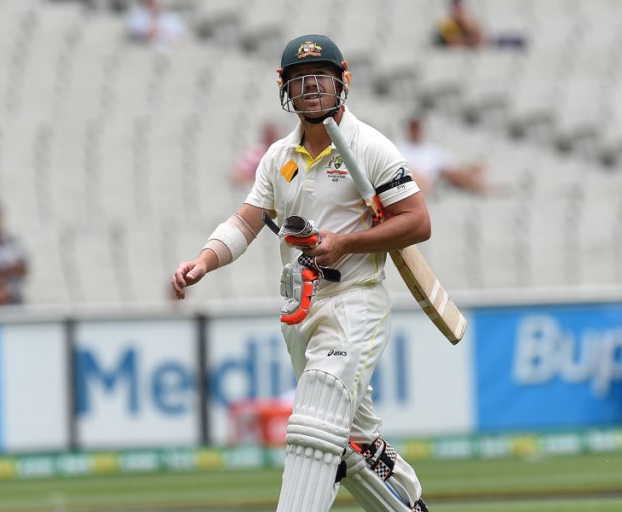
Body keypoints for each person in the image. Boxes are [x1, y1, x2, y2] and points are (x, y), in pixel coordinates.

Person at [171, 34, 431, 512]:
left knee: (315, 422)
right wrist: (204, 260)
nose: (312, 89)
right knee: (349, 442)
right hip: (300, 308)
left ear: (343, 81)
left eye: (322, 79)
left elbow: (417, 222)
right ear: (284, 88)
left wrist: (345, 243)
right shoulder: (277, 157)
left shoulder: (370, 147)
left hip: (356, 299)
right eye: (301, 80)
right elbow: (246, 221)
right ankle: (402, 496)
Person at [396, 116, 485, 196]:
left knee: (463, 172)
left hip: (433, 178)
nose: (415, 131)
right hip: (414, 180)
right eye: (413, 128)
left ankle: (479, 185)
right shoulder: (400, 148)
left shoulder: (431, 149)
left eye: (417, 128)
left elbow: (451, 166)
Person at [434, 0, 526, 51]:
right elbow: (454, 43)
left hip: (486, 45)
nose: (460, 10)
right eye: (457, 8)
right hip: (471, 51)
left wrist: (467, 24)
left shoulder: (466, 20)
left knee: (517, 41)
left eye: (461, 8)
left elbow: (479, 35)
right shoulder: (447, 24)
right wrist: (471, 40)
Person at [232, 121, 281, 188]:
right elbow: (237, 175)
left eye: (273, 135)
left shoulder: (282, 154)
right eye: (268, 135)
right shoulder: (255, 153)